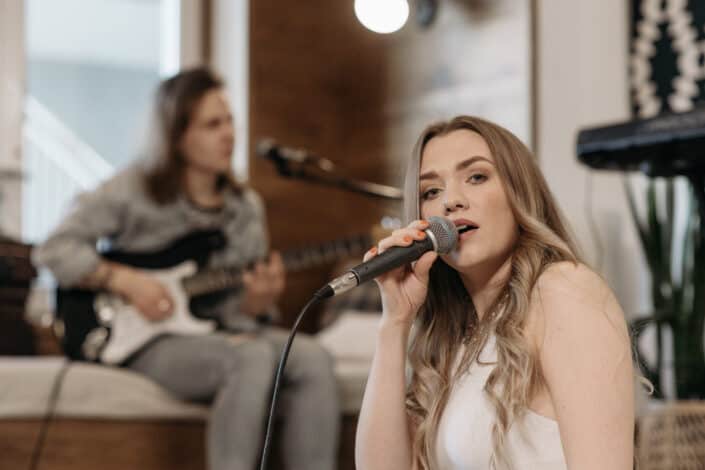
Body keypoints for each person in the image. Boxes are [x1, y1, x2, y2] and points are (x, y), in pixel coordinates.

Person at [33, 67, 339, 470]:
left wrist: (254, 303)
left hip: (209, 330)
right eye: (213, 124)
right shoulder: (132, 190)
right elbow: (54, 249)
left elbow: (235, 316)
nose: (229, 134)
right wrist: (123, 280)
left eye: (230, 120)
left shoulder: (244, 208)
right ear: (177, 135)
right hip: (137, 336)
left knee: (314, 357)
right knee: (250, 359)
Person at [355, 116, 635, 470]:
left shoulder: (563, 291)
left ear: (520, 191)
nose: (451, 201)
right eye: (431, 192)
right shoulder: (452, 338)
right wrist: (394, 323)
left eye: (476, 177)